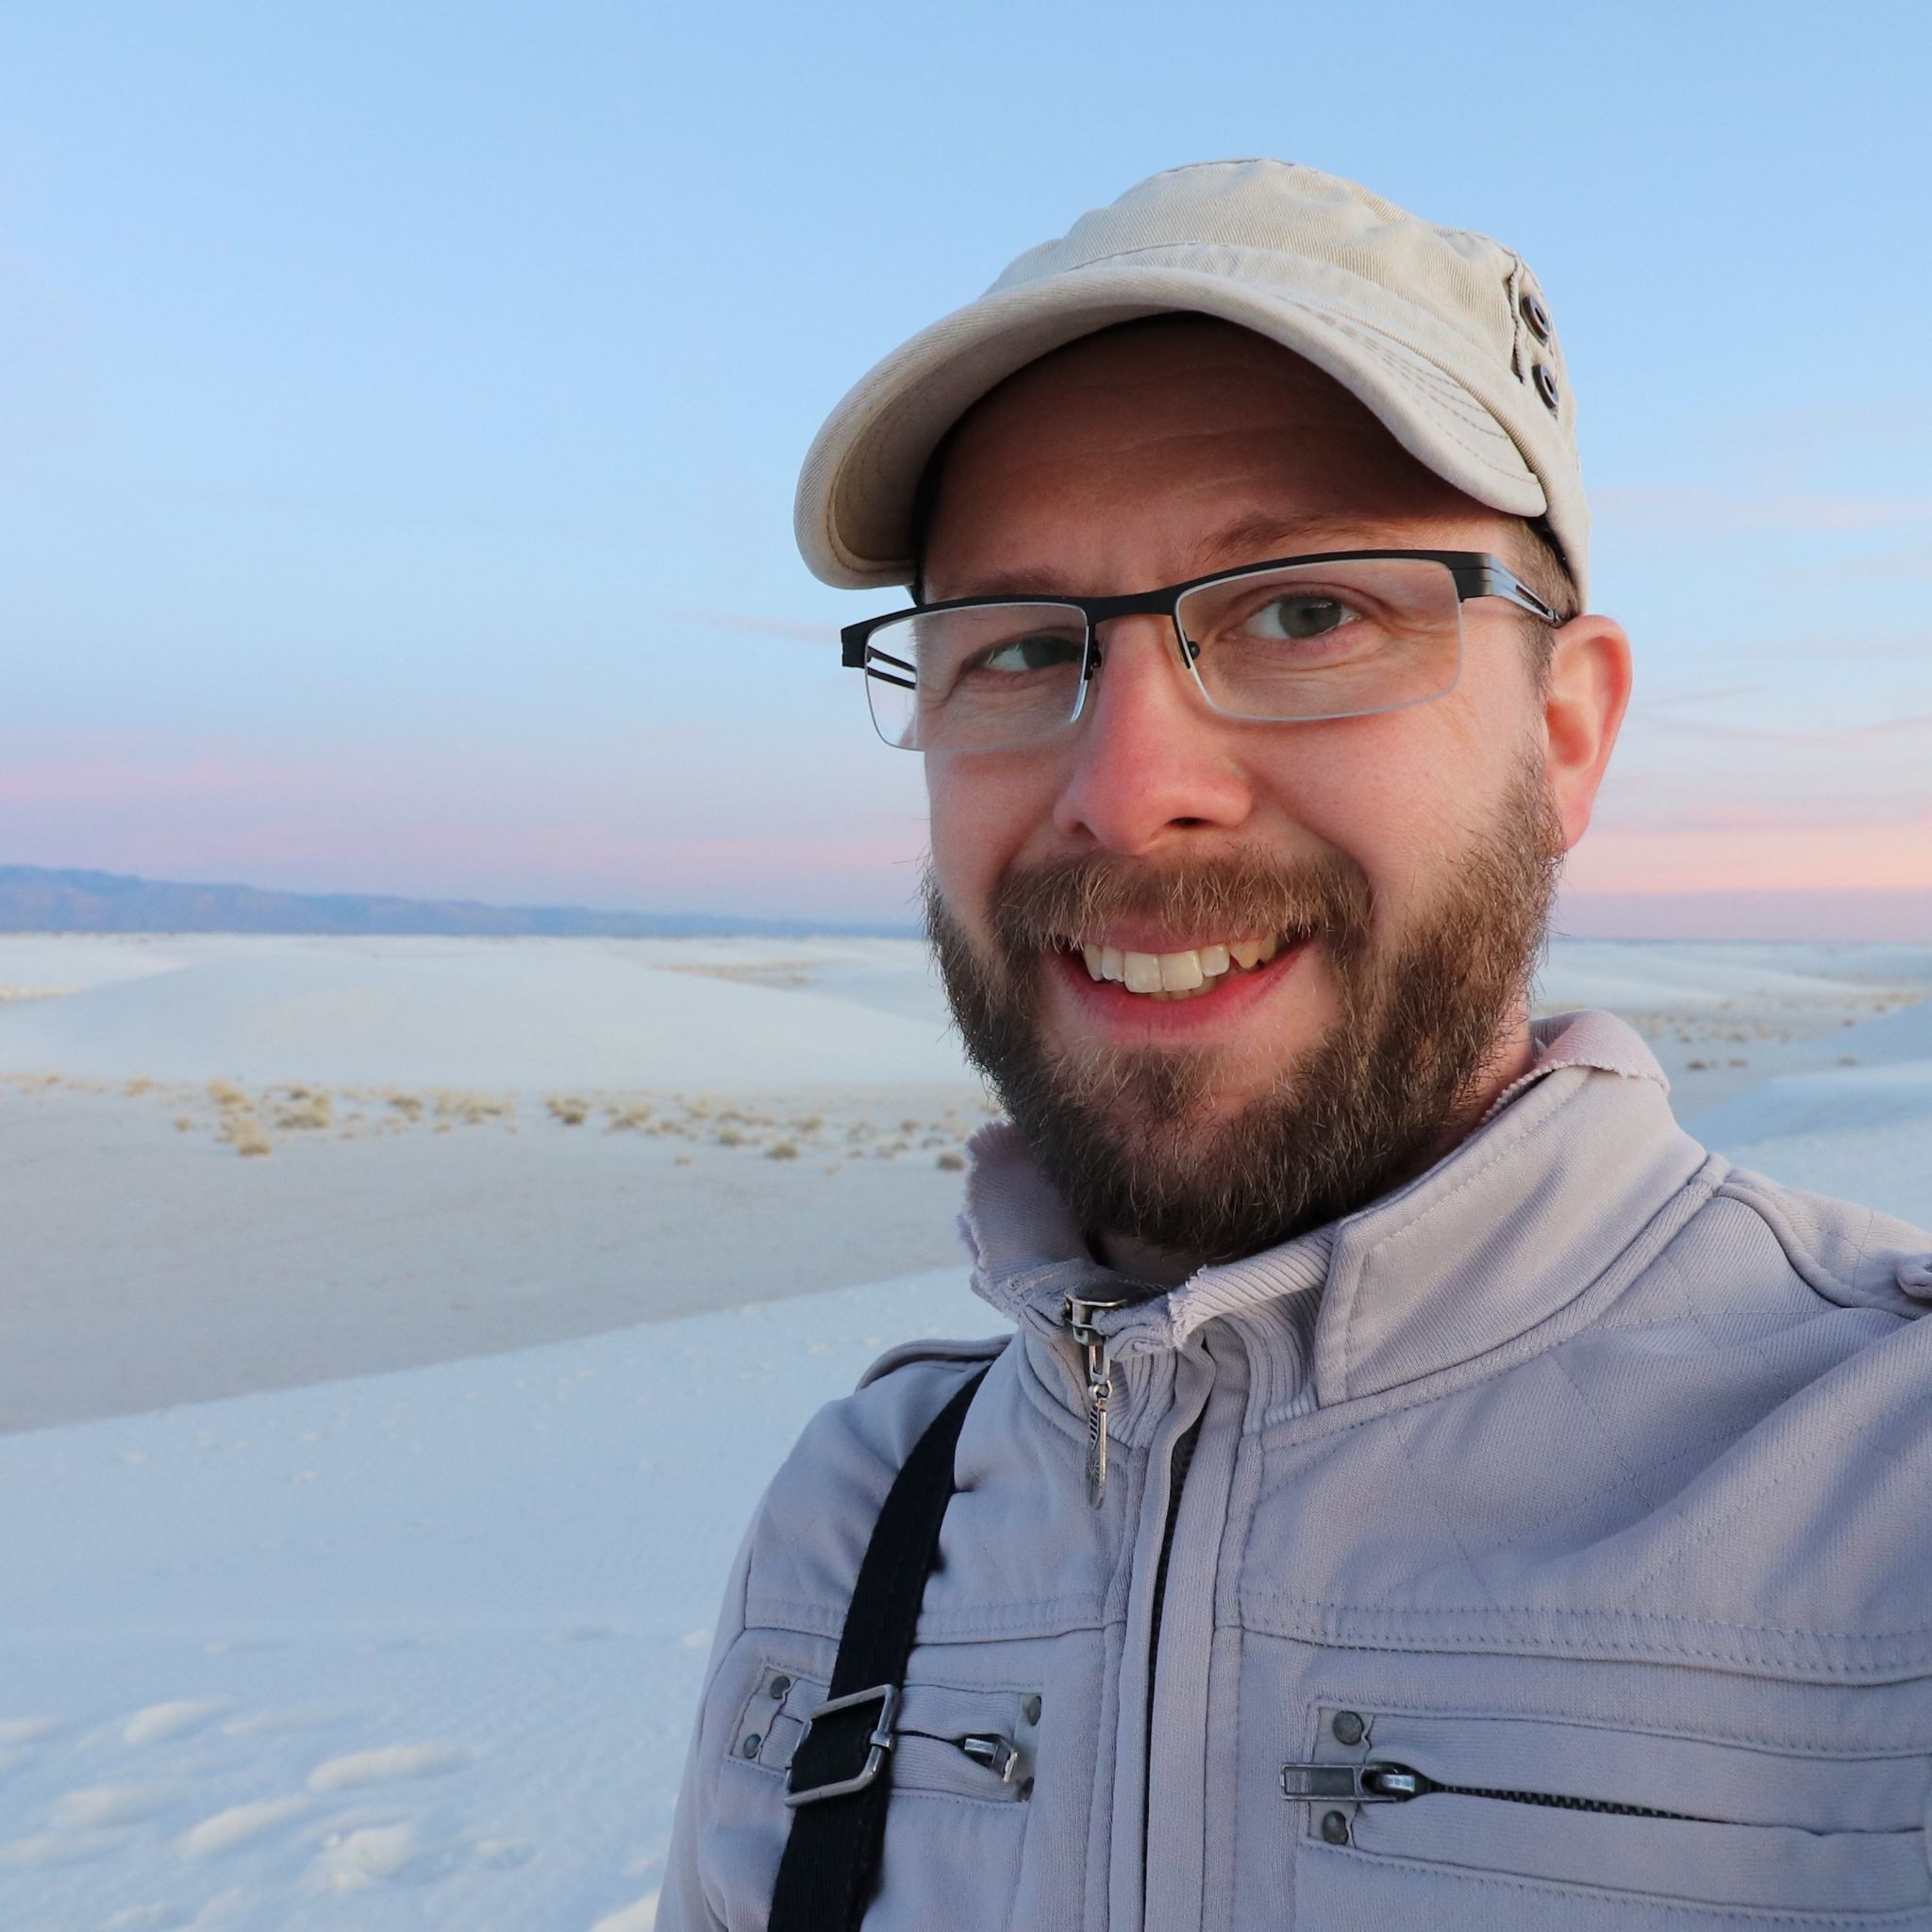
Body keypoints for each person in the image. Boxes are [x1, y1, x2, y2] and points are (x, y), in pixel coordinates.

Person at [658, 160, 1932, 1930]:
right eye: (1021, 649)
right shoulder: (860, 1524)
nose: (1128, 793)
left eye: (1307, 613)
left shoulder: (1885, 1477)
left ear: (1566, 735)